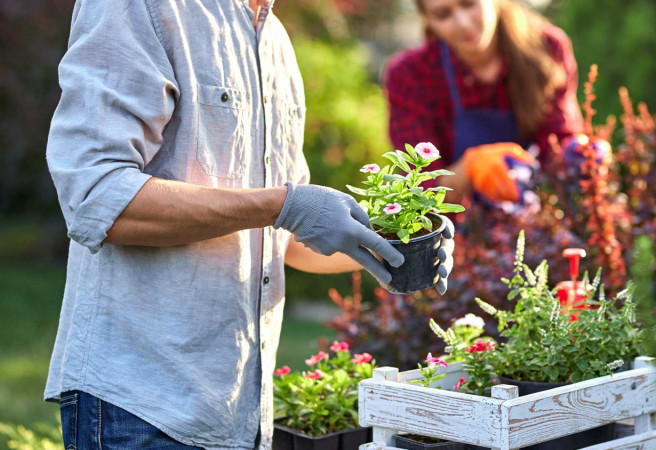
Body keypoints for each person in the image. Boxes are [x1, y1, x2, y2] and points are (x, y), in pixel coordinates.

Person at [44, 0, 454, 448]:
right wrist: (282, 205)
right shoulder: (140, 7)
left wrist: (390, 248)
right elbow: (97, 195)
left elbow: (287, 239)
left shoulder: (273, 40)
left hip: (237, 414)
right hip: (140, 408)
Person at [384, 0, 585, 206]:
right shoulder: (409, 75)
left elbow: (558, 146)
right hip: (458, 226)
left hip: (534, 212)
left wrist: (581, 157)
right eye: (443, 15)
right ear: (428, 21)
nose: (463, 23)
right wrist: (470, 168)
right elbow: (421, 190)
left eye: (468, 4)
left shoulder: (546, 48)